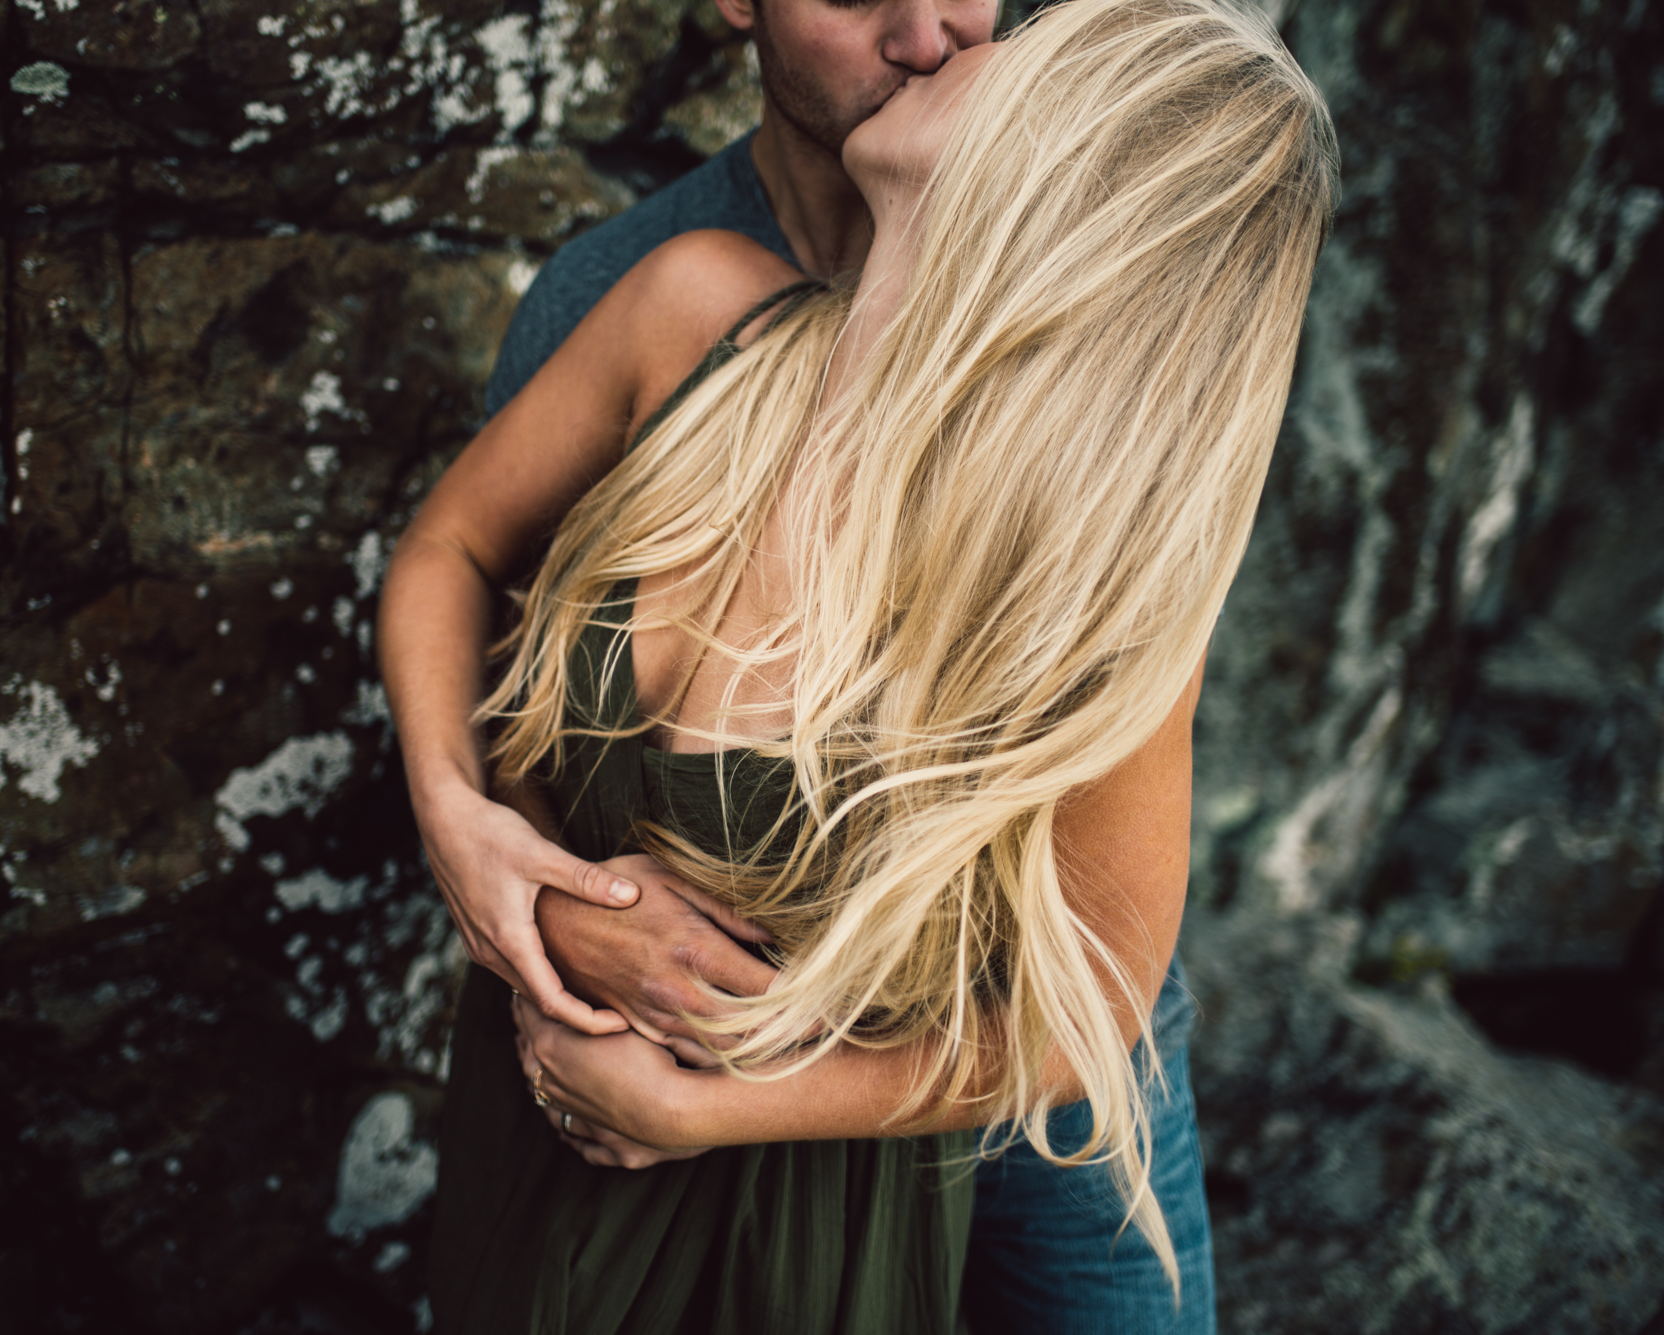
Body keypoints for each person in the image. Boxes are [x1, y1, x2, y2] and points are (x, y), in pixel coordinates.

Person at [380, 1, 1337, 1329]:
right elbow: (482, 611)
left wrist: (718, 1100)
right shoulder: (665, 295)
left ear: (1063, 194)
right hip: (569, 1102)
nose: (944, 36)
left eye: (1008, 34)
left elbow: (1093, 1001)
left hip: (966, 1094)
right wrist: (513, 865)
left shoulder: (1081, 549)